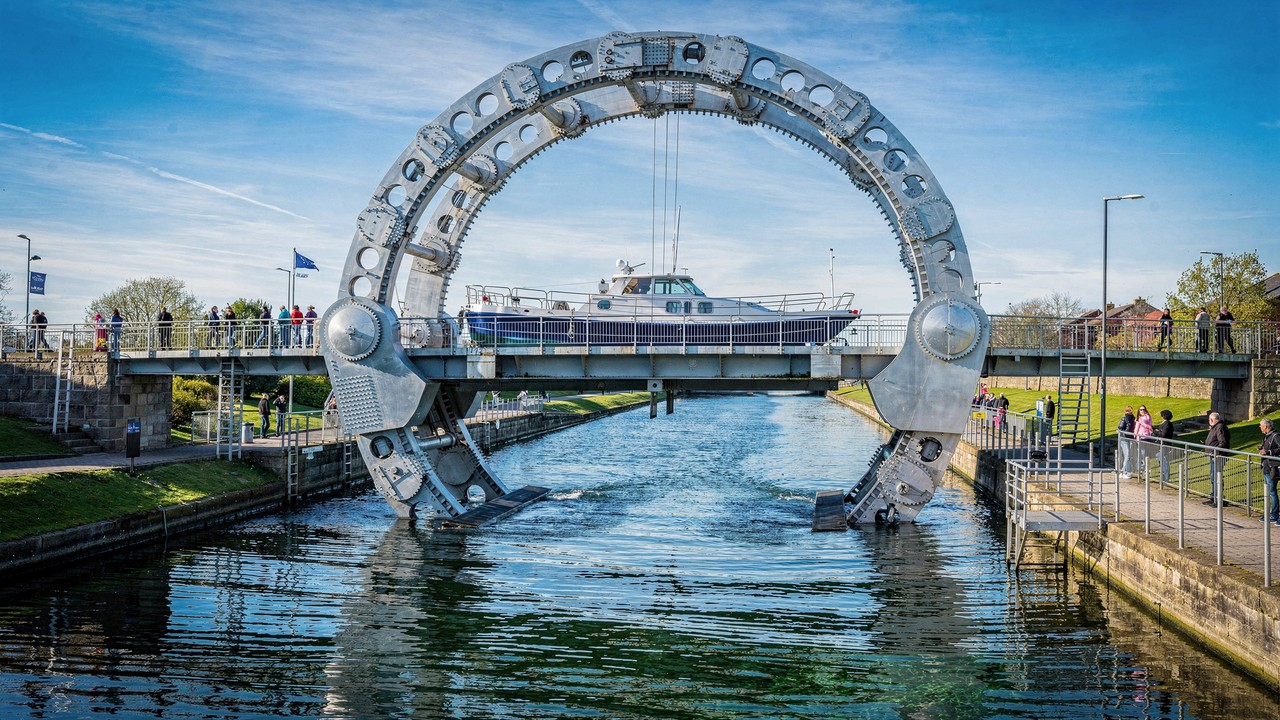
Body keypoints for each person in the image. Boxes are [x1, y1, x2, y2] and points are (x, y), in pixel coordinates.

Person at [1203, 411, 1230, 506]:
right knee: (1213, 476)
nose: (1209, 421)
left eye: (1210, 419)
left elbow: (1223, 442)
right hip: (1213, 455)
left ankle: (1219, 498)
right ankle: (1214, 496)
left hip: (1217, 456)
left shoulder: (1220, 427)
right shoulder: (1216, 427)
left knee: (1217, 477)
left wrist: (1216, 451)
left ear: (1212, 420)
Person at [1258, 418, 1280, 525]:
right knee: (1269, 492)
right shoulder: (1267, 436)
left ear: (1266, 426)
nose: (1260, 427)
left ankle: (1274, 514)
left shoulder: (1275, 436)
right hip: (1266, 467)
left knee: (1272, 492)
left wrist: (1268, 452)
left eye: (1261, 426)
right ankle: (1270, 513)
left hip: (1273, 467)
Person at [1152, 409, 1175, 484]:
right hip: (1162, 444)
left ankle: (1166, 478)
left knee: (1163, 460)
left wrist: (1155, 431)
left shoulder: (1167, 424)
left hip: (1165, 444)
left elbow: (1163, 434)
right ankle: (1163, 476)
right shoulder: (1166, 423)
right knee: (1161, 459)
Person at [1133, 406, 1154, 477]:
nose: (1142, 411)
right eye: (1140, 410)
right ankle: (1140, 468)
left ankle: (1146, 468)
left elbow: (1150, 426)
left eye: (1143, 409)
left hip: (1147, 436)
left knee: (1146, 453)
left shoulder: (1148, 417)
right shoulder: (1139, 419)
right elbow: (1136, 428)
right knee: (1141, 453)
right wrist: (1135, 436)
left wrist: (1144, 424)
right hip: (1140, 437)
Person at [1117, 406, 1136, 477]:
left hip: (1129, 438)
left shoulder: (1132, 419)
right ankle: (1124, 472)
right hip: (1125, 438)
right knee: (1127, 455)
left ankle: (1125, 471)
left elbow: (1120, 427)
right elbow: (1120, 427)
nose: (1129, 412)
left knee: (1128, 456)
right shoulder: (1126, 419)